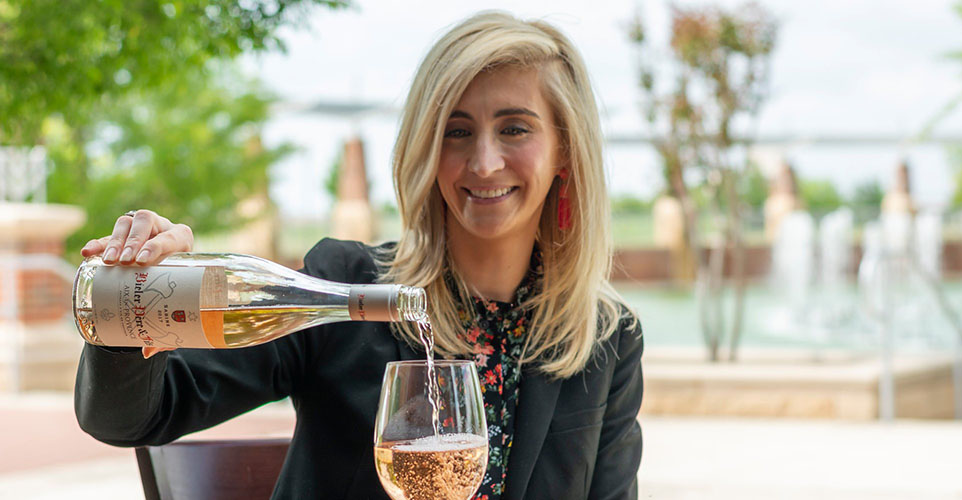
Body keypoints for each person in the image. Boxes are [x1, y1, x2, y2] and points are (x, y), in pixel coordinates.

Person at [75, 11, 643, 500]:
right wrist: (131, 296)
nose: (485, 162)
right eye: (457, 131)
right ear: (426, 146)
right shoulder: (345, 289)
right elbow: (132, 417)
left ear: (565, 149)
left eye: (515, 128)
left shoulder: (606, 336)